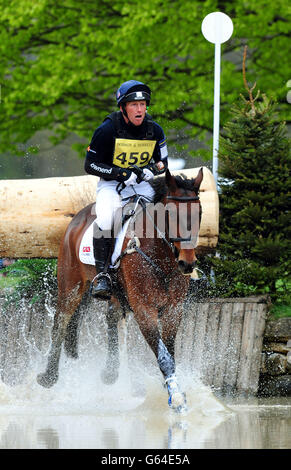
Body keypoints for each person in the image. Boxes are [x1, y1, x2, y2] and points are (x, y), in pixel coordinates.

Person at [84, 80, 168, 299]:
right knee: (106, 218)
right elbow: (90, 165)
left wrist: (152, 169)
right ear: (123, 107)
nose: (140, 109)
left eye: (143, 104)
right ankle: (102, 275)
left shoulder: (155, 130)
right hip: (112, 185)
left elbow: (164, 162)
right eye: (134, 105)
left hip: (141, 184)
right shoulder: (107, 129)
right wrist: (120, 173)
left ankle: (181, 266)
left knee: (168, 210)